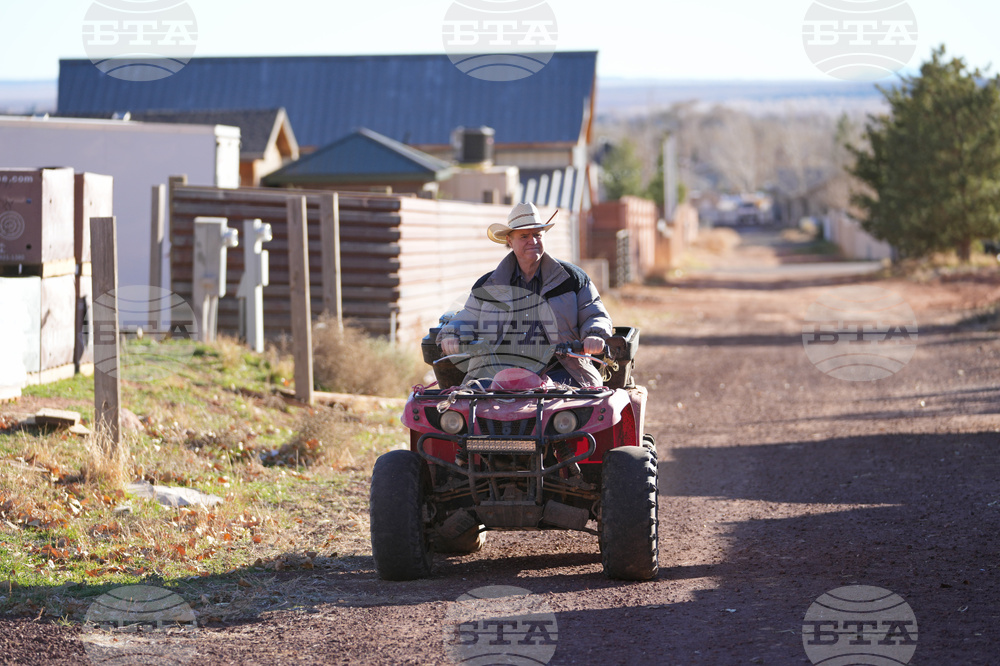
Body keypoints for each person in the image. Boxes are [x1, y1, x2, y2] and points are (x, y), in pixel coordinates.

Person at [438, 202, 613, 386]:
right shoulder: (489, 285)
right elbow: (467, 316)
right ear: (509, 240)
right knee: (468, 401)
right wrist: (452, 333)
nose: (533, 241)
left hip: (562, 368)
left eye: (537, 235)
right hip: (497, 370)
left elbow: (594, 313)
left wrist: (595, 334)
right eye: (524, 236)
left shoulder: (572, 279)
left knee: (588, 402)